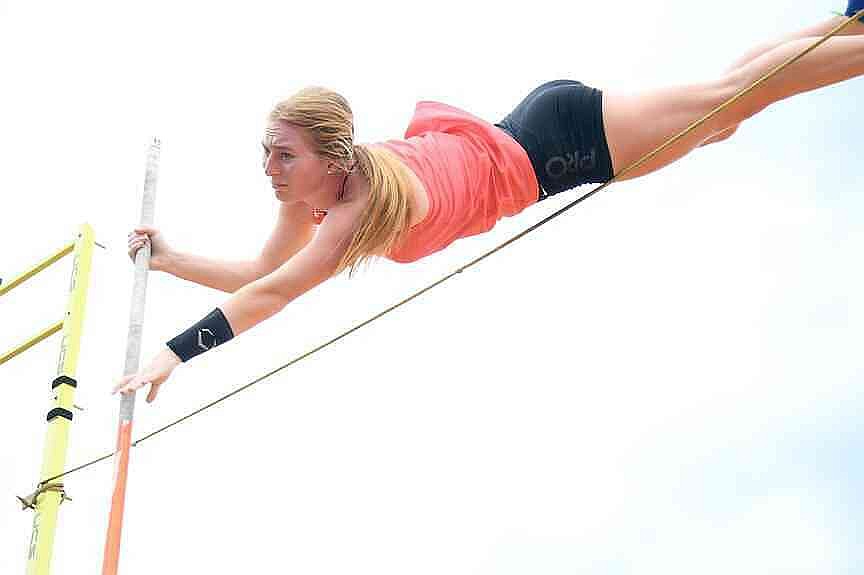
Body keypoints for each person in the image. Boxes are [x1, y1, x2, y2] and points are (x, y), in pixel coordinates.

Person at [114, 6, 864, 403]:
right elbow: (257, 275)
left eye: (284, 155)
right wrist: (174, 259)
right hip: (542, 134)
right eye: (266, 153)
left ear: (330, 158)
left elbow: (274, 295)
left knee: (728, 102)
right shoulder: (310, 203)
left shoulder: (353, 209)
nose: (270, 169)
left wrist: (174, 354)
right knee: (727, 109)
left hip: (560, 143)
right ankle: (847, 24)